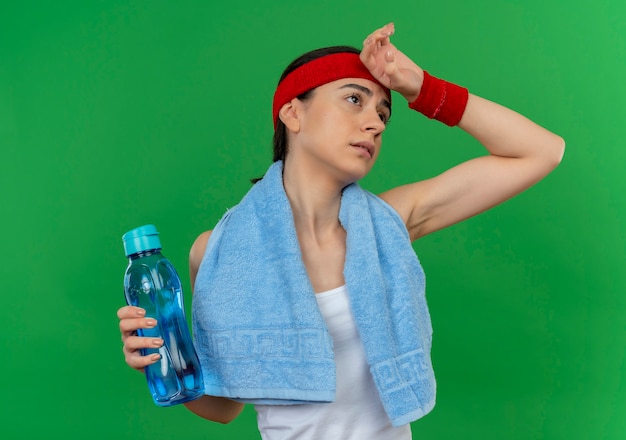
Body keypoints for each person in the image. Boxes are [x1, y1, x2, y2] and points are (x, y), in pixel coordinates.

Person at [117, 23, 565, 439]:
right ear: (293, 112)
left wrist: (422, 87)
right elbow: (224, 405)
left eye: (383, 114)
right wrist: (158, 361)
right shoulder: (216, 252)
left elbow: (541, 152)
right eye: (354, 99)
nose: (374, 122)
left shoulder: (391, 223)